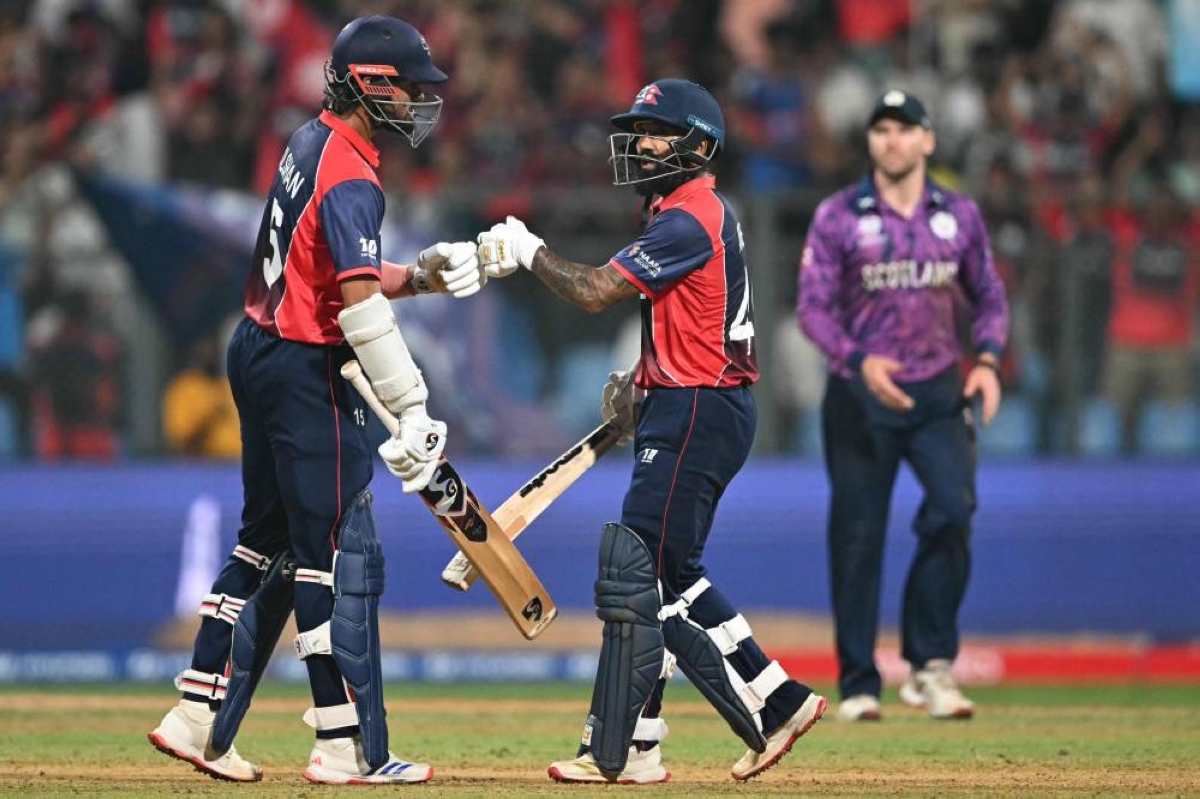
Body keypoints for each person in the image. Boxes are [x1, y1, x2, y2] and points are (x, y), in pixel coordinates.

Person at [147, 16, 487, 784]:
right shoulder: (353, 173)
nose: (418, 102)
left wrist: (420, 275)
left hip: (258, 346)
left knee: (261, 540)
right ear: (368, 84)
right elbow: (357, 305)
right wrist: (412, 405)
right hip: (305, 364)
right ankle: (341, 740)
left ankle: (194, 710)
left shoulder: (310, 141)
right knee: (326, 553)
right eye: (408, 87)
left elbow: (331, 269)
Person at [478, 78, 826, 785]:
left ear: (698, 145)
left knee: (647, 578)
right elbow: (689, 318)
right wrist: (645, 380)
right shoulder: (686, 212)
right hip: (693, 401)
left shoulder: (688, 218)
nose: (639, 146)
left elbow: (595, 291)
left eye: (656, 134)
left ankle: (770, 707)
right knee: (665, 578)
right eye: (637, 133)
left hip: (699, 407)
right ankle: (644, 742)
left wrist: (528, 250)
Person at [797, 90, 1009, 722]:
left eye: (905, 129)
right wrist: (859, 360)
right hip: (860, 397)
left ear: (928, 140)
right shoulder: (838, 215)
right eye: (881, 129)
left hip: (939, 391)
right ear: (870, 141)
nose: (892, 141)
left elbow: (990, 295)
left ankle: (930, 666)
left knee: (953, 510)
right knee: (858, 537)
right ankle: (860, 683)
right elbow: (812, 308)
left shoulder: (959, 215)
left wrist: (988, 361)